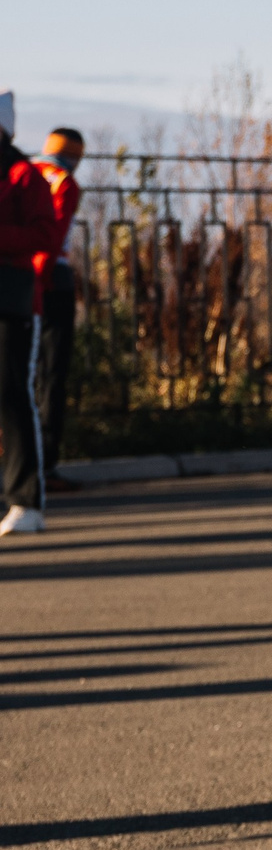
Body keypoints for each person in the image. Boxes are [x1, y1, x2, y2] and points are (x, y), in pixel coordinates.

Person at [0, 92, 64, 536]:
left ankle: (26, 501)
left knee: (11, 393)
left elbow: (47, 234)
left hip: (12, 300)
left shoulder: (25, 175)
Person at [33, 130, 82, 490]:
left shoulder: (23, 171)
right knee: (52, 373)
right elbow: (54, 234)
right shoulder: (63, 182)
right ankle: (44, 464)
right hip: (51, 279)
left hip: (13, 276)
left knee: (17, 372)